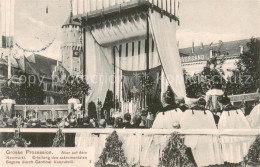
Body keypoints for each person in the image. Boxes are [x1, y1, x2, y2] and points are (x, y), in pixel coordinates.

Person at [180, 98, 223, 166]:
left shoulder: (189, 112)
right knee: (206, 158)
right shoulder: (208, 112)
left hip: (195, 139)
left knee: (198, 158)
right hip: (208, 139)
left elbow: (183, 124)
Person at [218, 94, 254, 164]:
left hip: (230, 135)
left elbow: (222, 125)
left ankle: (233, 161)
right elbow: (243, 122)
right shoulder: (237, 109)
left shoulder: (225, 111)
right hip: (239, 134)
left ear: (221, 103)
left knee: (232, 151)